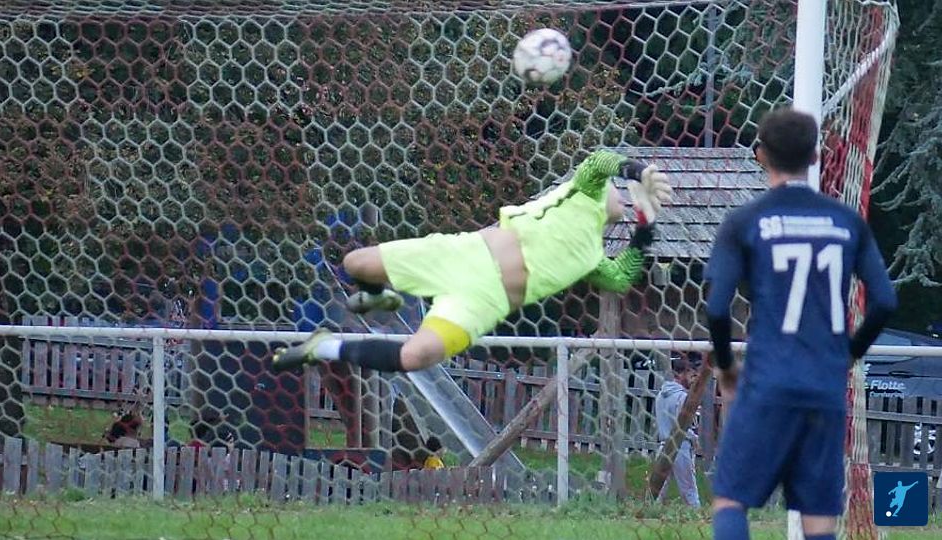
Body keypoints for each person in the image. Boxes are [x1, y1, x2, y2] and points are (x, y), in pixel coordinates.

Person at [271, 149, 673, 373]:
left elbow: (623, 277)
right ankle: (377, 297)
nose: (624, 195)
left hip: (483, 302)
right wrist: (636, 170)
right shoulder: (582, 192)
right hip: (463, 255)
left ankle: (324, 346)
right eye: (621, 190)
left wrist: (646, 220)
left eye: (628, 197)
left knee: (414, 357)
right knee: (356, 264)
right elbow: (601, 160)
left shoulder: (593, 258)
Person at [704, 108, 897, 540]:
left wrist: (727, 368)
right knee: (817, 519)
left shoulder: (744, 222)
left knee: (731, 500)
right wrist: (848, 354)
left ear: (760, 155)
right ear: (815, 156)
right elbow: (885, 300)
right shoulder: (846, 221)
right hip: (823, 388)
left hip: (767, 383)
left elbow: (716, 309)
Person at [654, 353, 702, 508]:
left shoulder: (660, 395)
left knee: (656, 491)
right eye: (691, 375)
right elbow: (683, 426)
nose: (693, 379)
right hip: (681, 446)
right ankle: (696, 516)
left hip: (663, 445)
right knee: (689, 490)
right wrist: (694, 439)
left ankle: (649, 513)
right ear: (682, 374)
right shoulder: (682, 397)